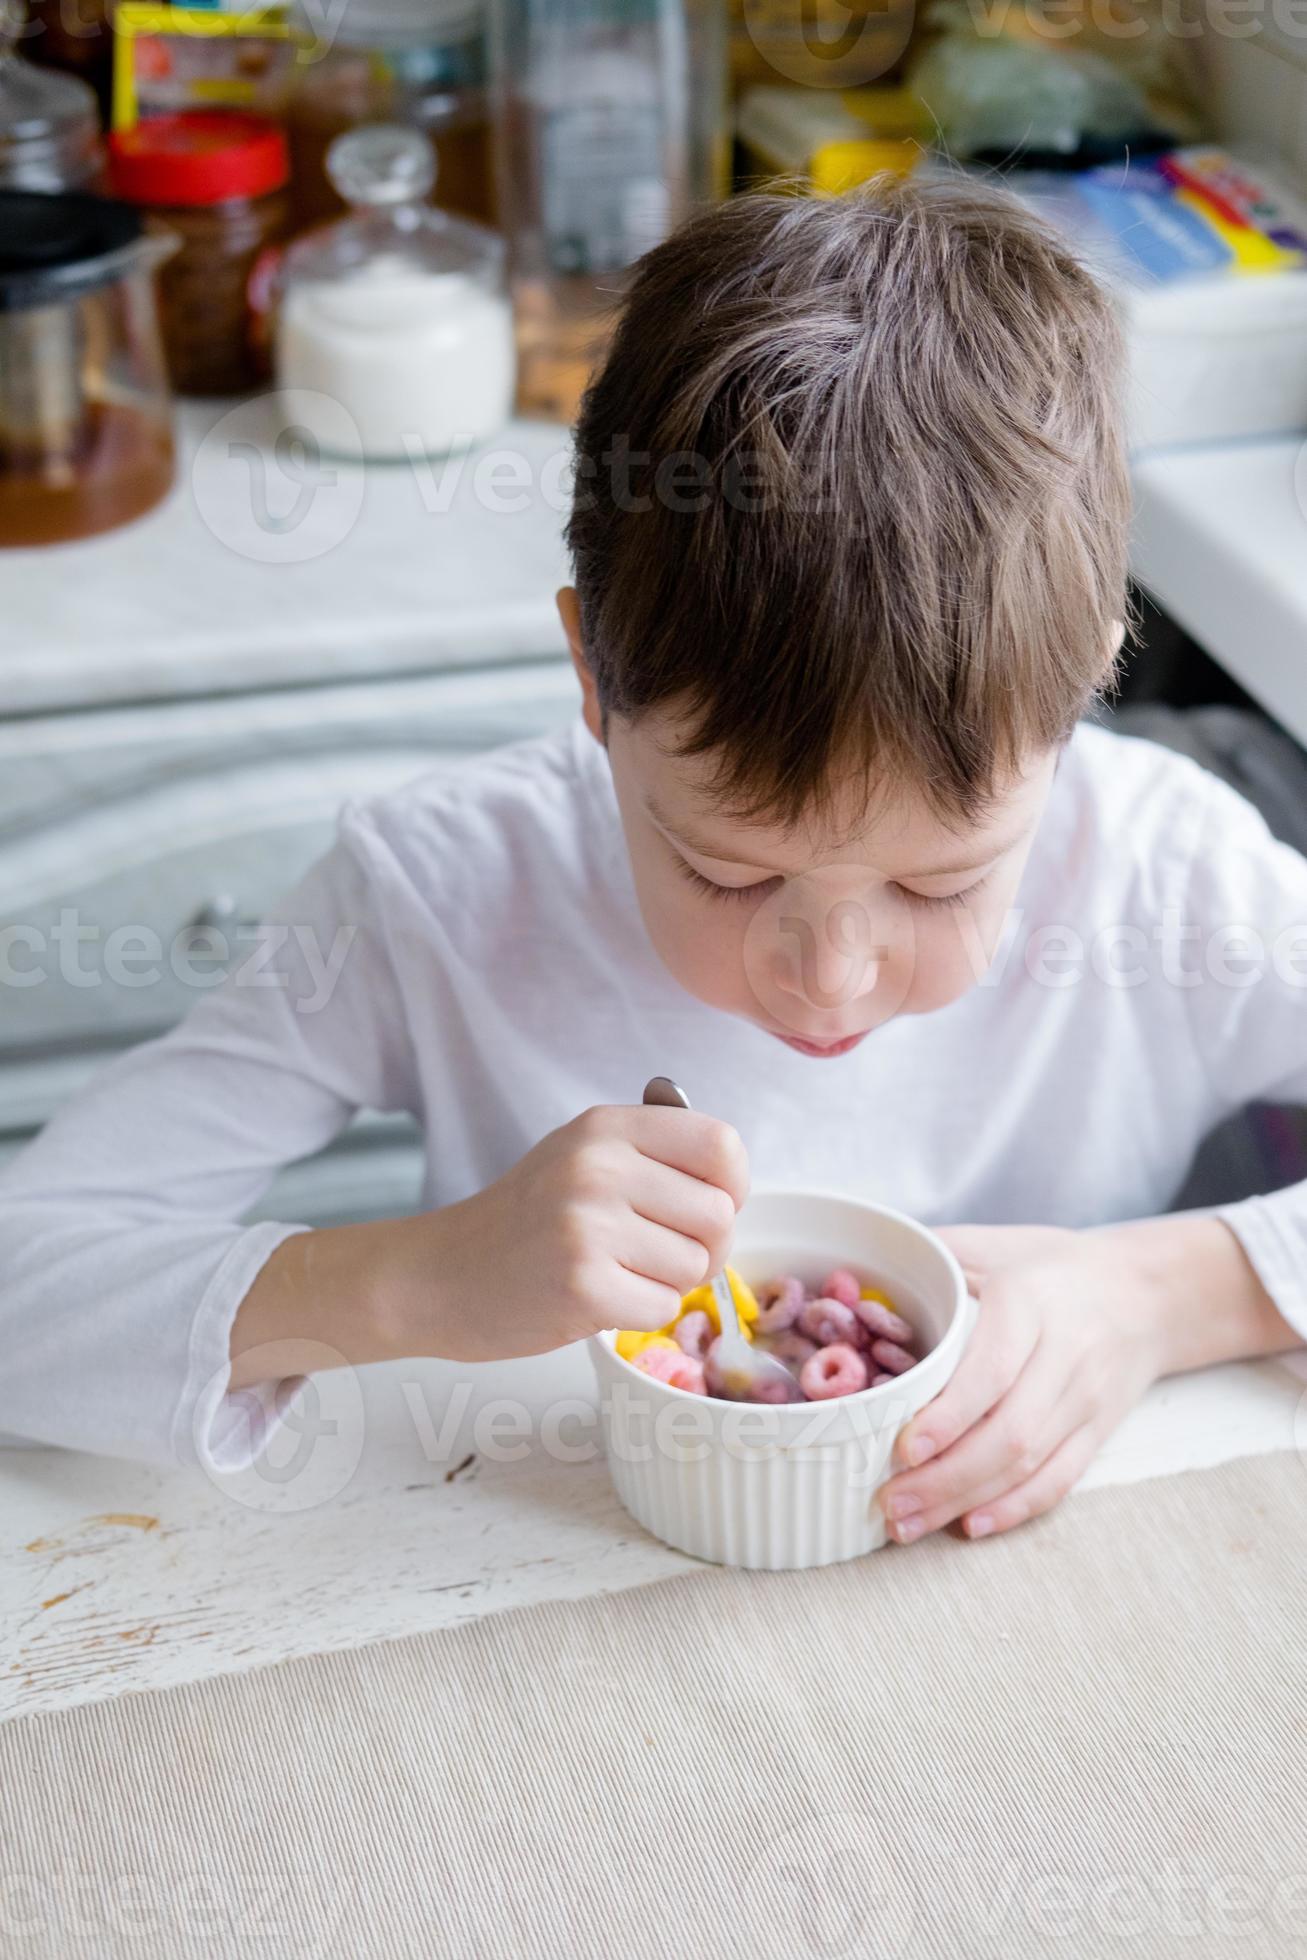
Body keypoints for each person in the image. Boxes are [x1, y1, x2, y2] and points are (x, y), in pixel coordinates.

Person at [3, 175, 1304, 1545]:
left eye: (941, 884)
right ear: (591, 678)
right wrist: (412, 1282)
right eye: (732, 874)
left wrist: (1172, 1293)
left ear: (1090, 677)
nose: (831, 979)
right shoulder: (439, 895)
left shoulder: (1173, 880)